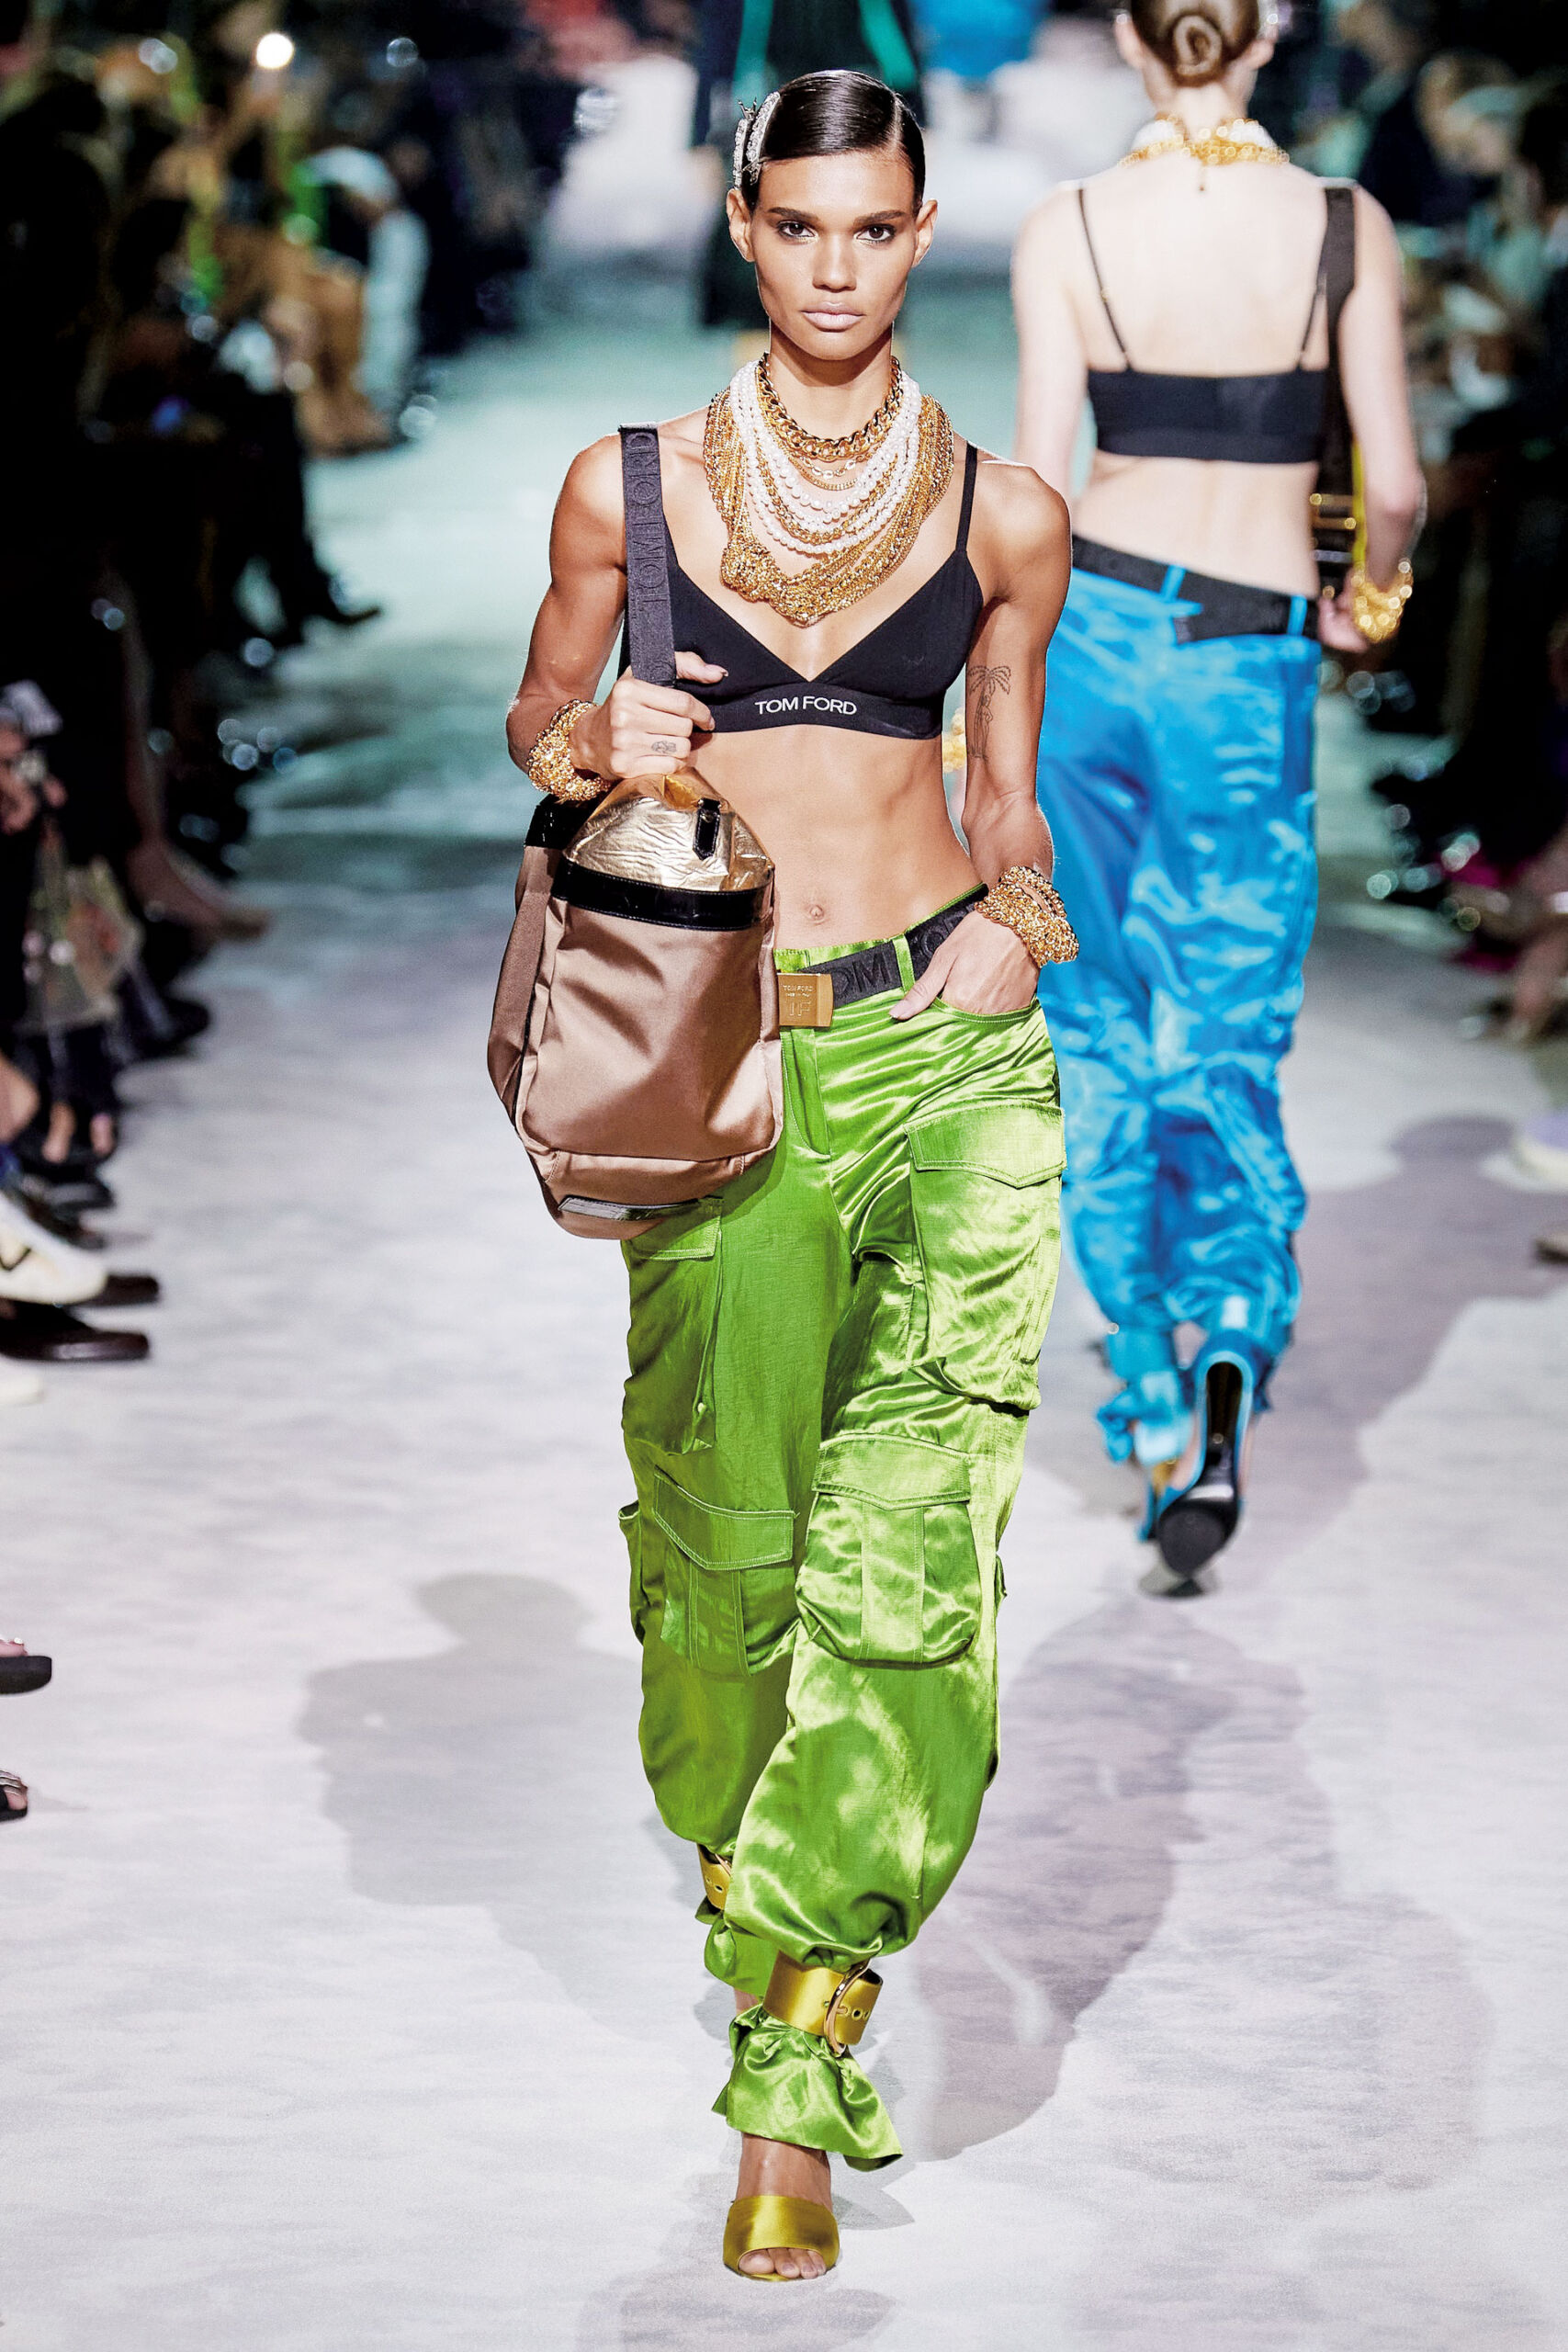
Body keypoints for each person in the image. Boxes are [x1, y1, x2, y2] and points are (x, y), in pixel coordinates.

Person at [506, 69, 1070, 2282]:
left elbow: (1005, 793)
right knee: (725, 1576)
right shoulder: (624, 488)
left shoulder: (1005, 516)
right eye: (799, 225)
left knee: (914, 1565)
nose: (837, 267)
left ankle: (796, 2062)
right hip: (723, 1072)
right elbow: (538, 726)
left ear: (920, 231)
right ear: (744, 226)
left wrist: (1017, 921)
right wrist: (592, 741)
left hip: (947, 1059)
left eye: (876, 227)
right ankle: (760, 1909)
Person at [1012, 0, 1424, 1582]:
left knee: (1093, 1016)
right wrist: (1364, 603)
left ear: (1132, 33)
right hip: (1247, 655)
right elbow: (1394, 487)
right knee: (1227, 1015)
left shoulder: (1069, 225)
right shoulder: (1342, 224)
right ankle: (1233, 1333)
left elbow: (1035, 490)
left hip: (1094, 637)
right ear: (1273, 32)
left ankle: (1147, 1377)